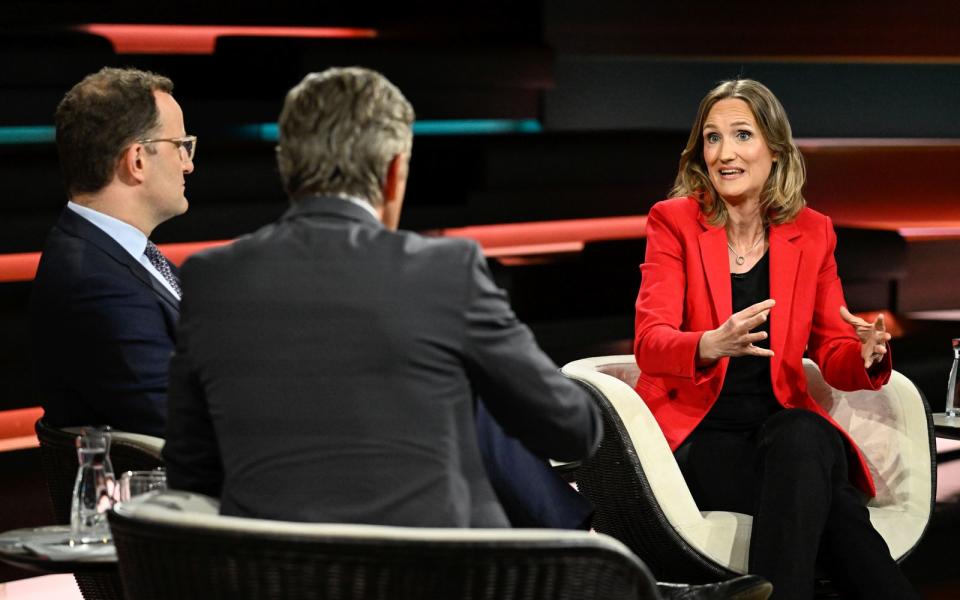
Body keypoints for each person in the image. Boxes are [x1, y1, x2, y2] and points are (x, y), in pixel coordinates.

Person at [633, 78, 917, 599]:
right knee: (831, 506)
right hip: (703, 436)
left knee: (802, 436)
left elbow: (831, 350)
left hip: (784, 430)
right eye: (712, 138)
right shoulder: (672, 222)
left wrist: (865, 355)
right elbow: (649, 342)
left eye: (742, 135)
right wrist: (708, 344)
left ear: (775, 150)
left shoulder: (812, 232)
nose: (724, 153)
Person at [30, 67, 195, 437]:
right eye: (181, 146)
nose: (188, 163)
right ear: (137, 160)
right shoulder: (94, 281)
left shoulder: (116, 253)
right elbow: (177, 422)